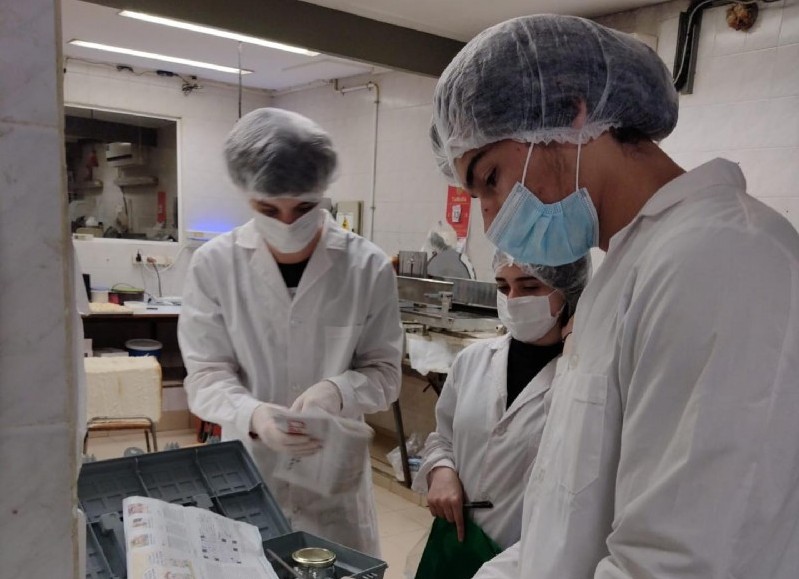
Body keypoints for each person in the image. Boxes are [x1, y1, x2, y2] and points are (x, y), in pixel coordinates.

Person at [430, 14, 799, 579]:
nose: (493, 221)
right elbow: (568, 518)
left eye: (491, 180)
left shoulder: (721, 258)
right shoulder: (627, 271)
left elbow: (679, 562)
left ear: (568, 113)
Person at [178, 108, 403, 556]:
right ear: (246, 196)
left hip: (334, 485)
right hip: (247, 475)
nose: (286, 222)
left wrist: (337, 391)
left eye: (303, 207)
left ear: (323, 194)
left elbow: (385, 373)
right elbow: (206, 375)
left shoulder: (367, 267)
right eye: (268, 208)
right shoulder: (215, 265)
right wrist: (253, 415)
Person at [411, 252, 588, 577]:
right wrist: (441, 469)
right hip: (453, 548)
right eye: (503, 287)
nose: (513, 300)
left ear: (568, 291)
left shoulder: (581, 384)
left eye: (529, 286)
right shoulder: (472, 360)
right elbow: (443, 437)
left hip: (524, 563)